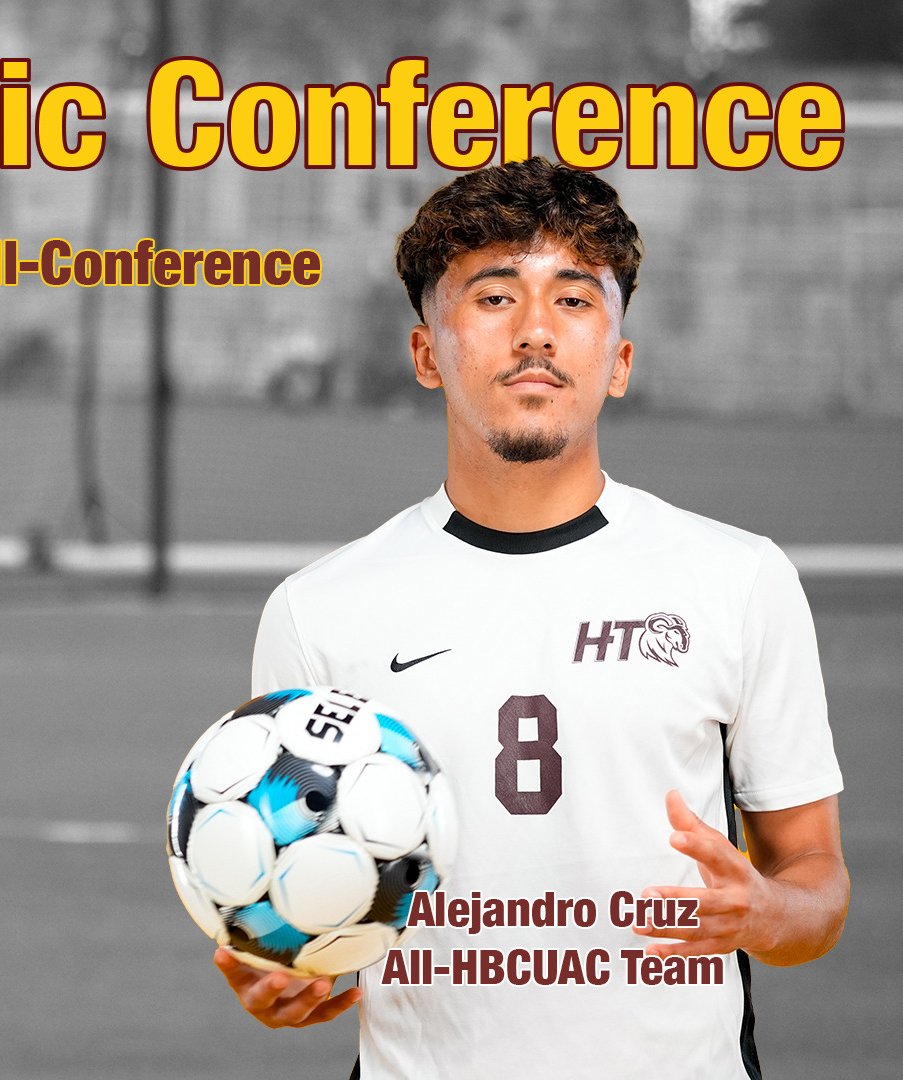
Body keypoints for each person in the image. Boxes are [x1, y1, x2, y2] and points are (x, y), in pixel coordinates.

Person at [217, 158, 847, 1078]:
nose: (537, 332)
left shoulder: (737, 579)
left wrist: (763, 911)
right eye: (495, 297)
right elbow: (290, 908)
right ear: (427, 353)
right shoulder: (320, 612)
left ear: (619, 361)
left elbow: (816, 885)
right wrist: (277, 971)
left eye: (575, 300)